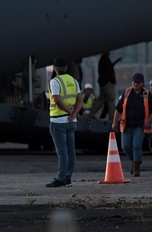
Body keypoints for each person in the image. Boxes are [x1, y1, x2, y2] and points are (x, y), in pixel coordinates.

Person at [45, 57, 82, 188]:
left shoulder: (54, 82)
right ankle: (67, 177)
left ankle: (61, 178)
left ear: (55, 69)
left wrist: (68, 112)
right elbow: (80, 100)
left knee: (62, 152)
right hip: (72, 121)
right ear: (66, 68)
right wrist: (74, 113)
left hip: (58, 121)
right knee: (70, 151)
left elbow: (57, 100)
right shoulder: (74, 81)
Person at [112, 73, 152, 177]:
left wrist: (148, 122)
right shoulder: (127, 92)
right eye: (134, 82)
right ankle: (134, 159)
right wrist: (114, 122)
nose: (135, 84)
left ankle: (136, 167)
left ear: (142, 84)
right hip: (127, 124)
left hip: (140, 125)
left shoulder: (147, 94)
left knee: (136, 145)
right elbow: (118, 109)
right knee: (125, 146)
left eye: (138, 82)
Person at [89, 51, 121, 120]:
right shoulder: (104, 60)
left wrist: (115, 62)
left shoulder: (104, 60)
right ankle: (112, 118)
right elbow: (108, 70)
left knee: (101, 99)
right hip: (107, 84)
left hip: (104, 83)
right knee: (111, 98)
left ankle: (91, 114)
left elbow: (109, 67)